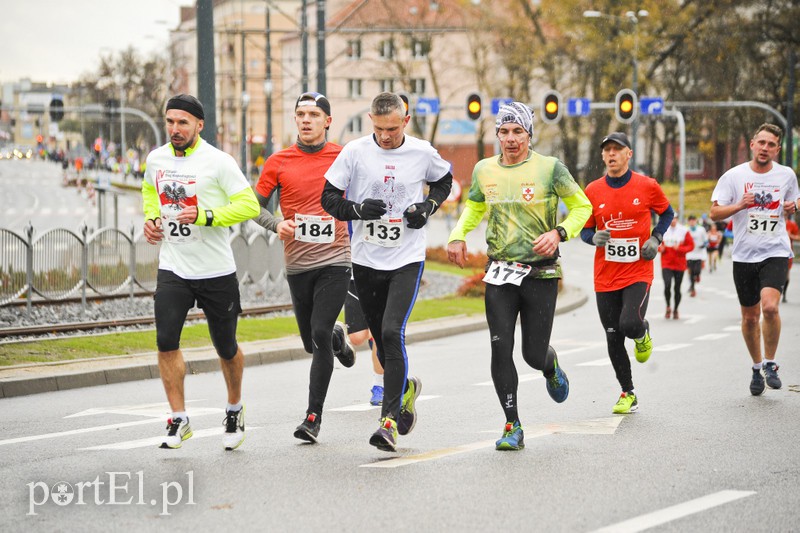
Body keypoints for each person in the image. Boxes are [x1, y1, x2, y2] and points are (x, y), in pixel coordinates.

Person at [447, 102, 592, 450]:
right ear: (497, 134)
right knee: (500, 348)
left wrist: (558, 233)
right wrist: (457, 234)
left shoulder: (550, 169)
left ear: (529, 134)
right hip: (500, 273)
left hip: (540, 274)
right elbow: (476, 206)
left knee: (532, 353)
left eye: (518, 132)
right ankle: (512, 424)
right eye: (504, 132)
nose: (511, 139)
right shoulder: (484, 170)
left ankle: (550, 365)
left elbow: (582, 206)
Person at [321, 92, 452, 452]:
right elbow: (329, 199)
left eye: (393, 128)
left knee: (393, 333)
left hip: (406, 259)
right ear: (370, 121)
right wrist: (359, 208)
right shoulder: (355, 151)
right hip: (365, 261)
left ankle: (388, 422)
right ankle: (405, 387)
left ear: (405, 120)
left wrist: (428, 206)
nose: (386, 136)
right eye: (379, 128)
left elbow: (444, 182)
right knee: (378, 338)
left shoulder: (422, 152)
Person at [142, 94, 260, 450]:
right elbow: (150, 190)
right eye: (170, 122)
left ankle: (235, 408)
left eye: (183, 123)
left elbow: (249, 204)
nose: (175, 129)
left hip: (215, 270)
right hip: (174, 266)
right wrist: (150, 218)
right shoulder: (156, 159)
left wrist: (207, 216)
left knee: (226, 347)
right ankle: (179, 419)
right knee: (166, 342)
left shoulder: (218, 161)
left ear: (199, 125)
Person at [253, 91, 356, 444]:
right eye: (300, 114)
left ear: (328, 121)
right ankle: (338, 341)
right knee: (314, 343)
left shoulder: (344, 157)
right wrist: (275, 225)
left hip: (335, 260)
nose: (306, 120)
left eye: (314, 114)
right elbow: (256, 207)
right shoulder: (278, 161)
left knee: (318, 331)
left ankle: (313, 417)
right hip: (297, 263)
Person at [581, 132, 674, 414]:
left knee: (630, 324)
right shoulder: (593, 190)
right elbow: (585, 229)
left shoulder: (647, 186)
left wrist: (656, 239)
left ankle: (642, 332)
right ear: (602, 156)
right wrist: (591, 238)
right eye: (607, 150)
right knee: (612, 336)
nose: (611, 155)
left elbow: (667, 213)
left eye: (617, 150)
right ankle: (628, 392)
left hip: (638, 272)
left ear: (628, 154)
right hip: (605, 275)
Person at [710, 123, 800, 396]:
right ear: (752, 144)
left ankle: (770, 363)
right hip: (744, 255)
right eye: (761, 143)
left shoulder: (786, 175)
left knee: (770, 308)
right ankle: (756, 366)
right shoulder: (733, 176)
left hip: (775, 251)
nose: (765, 148)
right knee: (750, 318)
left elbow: (797, 200)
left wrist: (793, 206)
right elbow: (714, 213)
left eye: (771, 144)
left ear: (777, 149)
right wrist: (740, 205)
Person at [344, 276, 384, 405]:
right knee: (357, 338)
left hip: (380, 276)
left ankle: (379, 386)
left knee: (379, 331)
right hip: (354, 279)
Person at [659, 217, 694, 320]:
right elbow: (656, 244)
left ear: (677, 219)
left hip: (679, 264)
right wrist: (660, 249)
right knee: (667, 285)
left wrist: (680, 249)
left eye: (674, 219)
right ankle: (668, 306)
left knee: (677, 288)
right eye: (671, 219)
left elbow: (691, 246)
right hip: (666, 264)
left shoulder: (683, 231)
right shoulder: (662, 230)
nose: (672, 220)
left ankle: (676, 309)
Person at [685, 215, 708, 297]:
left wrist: (703, 245)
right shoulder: (686, 230)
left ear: (696, 221)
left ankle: (698, 275)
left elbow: (706, 240)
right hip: (689, 254)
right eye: (690, 220)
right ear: (688, 222)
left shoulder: (701, 229)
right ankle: (693, 289)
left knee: (697, 270)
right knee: (690, 272)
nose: (692, 222)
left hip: (699, 254)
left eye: (693, 220)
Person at [783, 216, 799, 302]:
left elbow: (798, 237)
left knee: (786, 275)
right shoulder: (773, 220)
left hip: (787, 253)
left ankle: (784, 294)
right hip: (773, 252)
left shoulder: (791, 224)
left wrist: (790, 235)